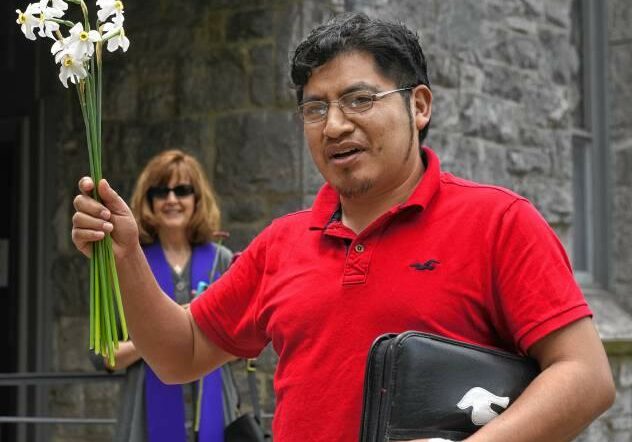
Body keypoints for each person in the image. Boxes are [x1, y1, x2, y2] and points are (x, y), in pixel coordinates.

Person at [72, 13, 615, 442]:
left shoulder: (499, 222)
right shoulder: (281, 243)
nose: (334, 125)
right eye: (315, 108)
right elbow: (180, 354)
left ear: (419, 105)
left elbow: (585, 377)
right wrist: (124, 253)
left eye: (360, 99)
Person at [91, 150, 238, 442]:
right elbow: (103, 355)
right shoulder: (128, 262)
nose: (171, 200)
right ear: (149, 201)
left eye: (182, 190)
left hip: (214, 410)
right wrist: (161, 339)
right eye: (161, 191)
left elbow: (242, 343)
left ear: (197, 198)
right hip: (145, 419)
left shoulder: (221, 260)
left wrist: (181, 336)